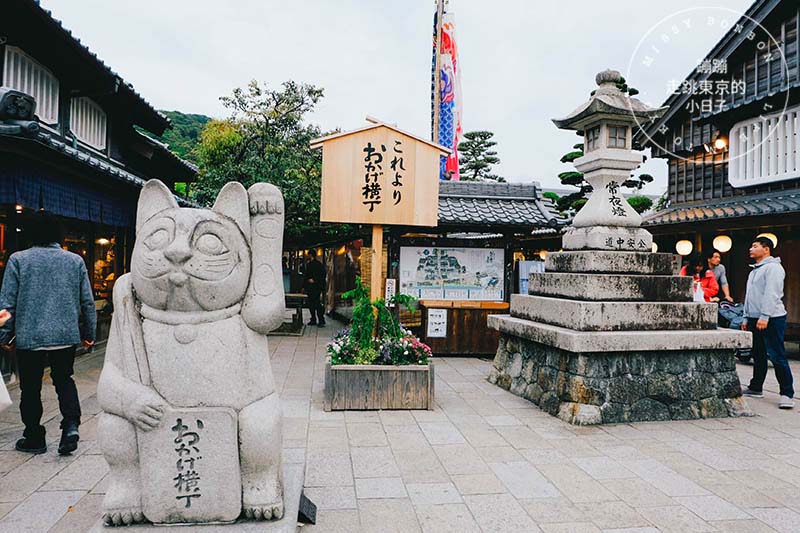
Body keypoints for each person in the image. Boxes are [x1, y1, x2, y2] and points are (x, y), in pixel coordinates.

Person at [0, 211, 96, 455]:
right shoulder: (74, 261)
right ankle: (71, 426)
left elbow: (7, 303)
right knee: (64, 380)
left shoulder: (18, 260)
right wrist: (89, 333)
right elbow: (87, 301)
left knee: (30, 388)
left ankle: (34, 437)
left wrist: (5, 336)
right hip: (65, 335)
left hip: (29, 336)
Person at [741, 236, 793, 409]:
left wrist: (765, 316)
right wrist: (746, 317)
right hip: (756, 317)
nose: (751, 249)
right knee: (758, 353)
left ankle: (787, 393)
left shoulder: (773, 268)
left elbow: (772, 293)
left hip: (772, 317)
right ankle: (756, 387)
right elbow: (749, 297)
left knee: (777, 354)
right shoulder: (754, 270)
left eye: (754, 246)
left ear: (766, 249)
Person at [303, 250, 326, 327]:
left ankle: (319, 320)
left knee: (315, 304)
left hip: (314, 287)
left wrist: (314, 280)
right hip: (313, 287)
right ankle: (315, 319)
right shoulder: (314, 264)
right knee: (313, 303)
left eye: (308, 255)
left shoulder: (315, 265)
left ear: (311, 255)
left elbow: (322, 275)